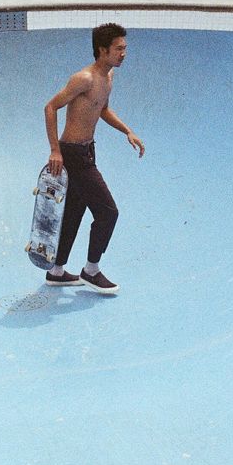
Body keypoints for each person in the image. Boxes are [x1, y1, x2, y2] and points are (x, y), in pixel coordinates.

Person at [43, 22, 144, 294]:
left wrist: (127, 131)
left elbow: (102, 109)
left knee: (74, 212)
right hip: (73, 155)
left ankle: (56, 271)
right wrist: (55, 150)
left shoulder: (108, 77)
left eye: (125, 48)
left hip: (88, 150)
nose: (124, 53)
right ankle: (91, 271)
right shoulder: (84, 79)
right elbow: (50, 107)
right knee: (108, 212)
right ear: (102, 50)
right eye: (118, 49)